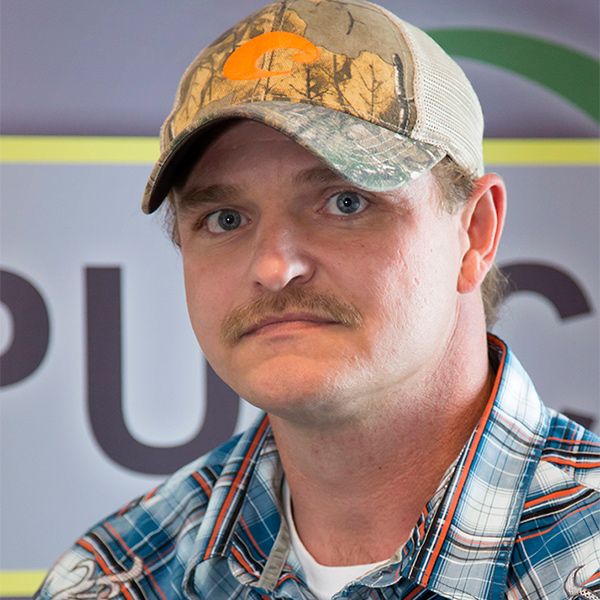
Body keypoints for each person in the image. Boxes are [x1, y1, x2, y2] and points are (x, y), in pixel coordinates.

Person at [36, 1, 599, 598]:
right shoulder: (114, 581)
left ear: (475, 232)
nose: (275, 268)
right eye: (225, 219)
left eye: (345, 202)